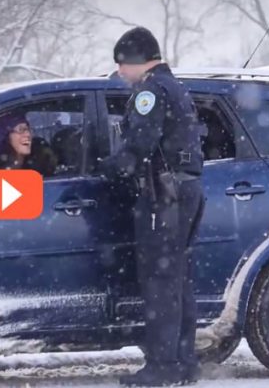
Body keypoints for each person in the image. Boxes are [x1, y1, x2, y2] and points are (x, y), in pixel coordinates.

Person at [103, 27, 206, 387]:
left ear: (137, 60)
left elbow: (139, 147)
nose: (119, 72)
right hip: (185, 190)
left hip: (164, 195)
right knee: (177, 278)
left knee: (160, 280)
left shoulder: (150, 91)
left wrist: (110, 167)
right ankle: (184, 362)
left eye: (121, 63)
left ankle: (162, 367)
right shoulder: (175, 88)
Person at [0, 112, 56, 185]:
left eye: (28, 129)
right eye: (21, 130)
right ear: (4, 137)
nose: (28, 135)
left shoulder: (42, 165)